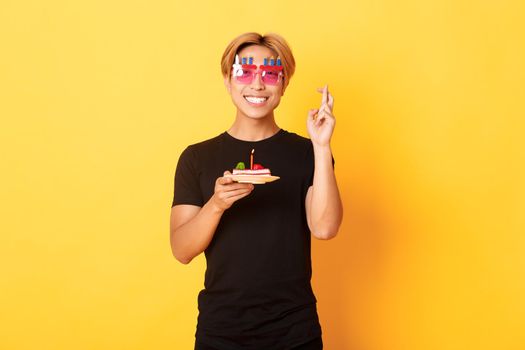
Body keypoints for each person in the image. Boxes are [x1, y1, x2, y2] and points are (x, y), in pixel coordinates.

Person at [170, 32, 343, 350]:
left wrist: (321, 145)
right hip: (220, 331)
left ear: (284, 83)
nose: (258, 84)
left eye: (271, 74)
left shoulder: (307, 152)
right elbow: (181, 250)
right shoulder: (196, 157)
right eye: (245, 72)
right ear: (227, 79)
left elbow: (325, 227)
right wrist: (217, 204)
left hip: (295, 331)